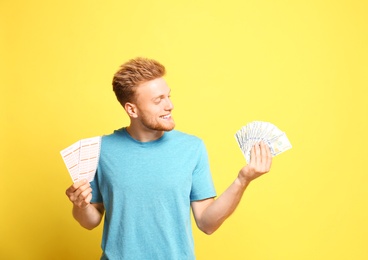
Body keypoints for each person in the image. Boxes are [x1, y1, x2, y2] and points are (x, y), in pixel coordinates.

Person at [65, 57, 272, 260]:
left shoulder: (192, 148)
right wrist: (80, 205)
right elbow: (90, 221)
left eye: (168, 96)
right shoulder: (101, 150)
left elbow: (207, 224)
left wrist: (242, 180)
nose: (169, 105)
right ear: (132, 109)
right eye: (158, 100)